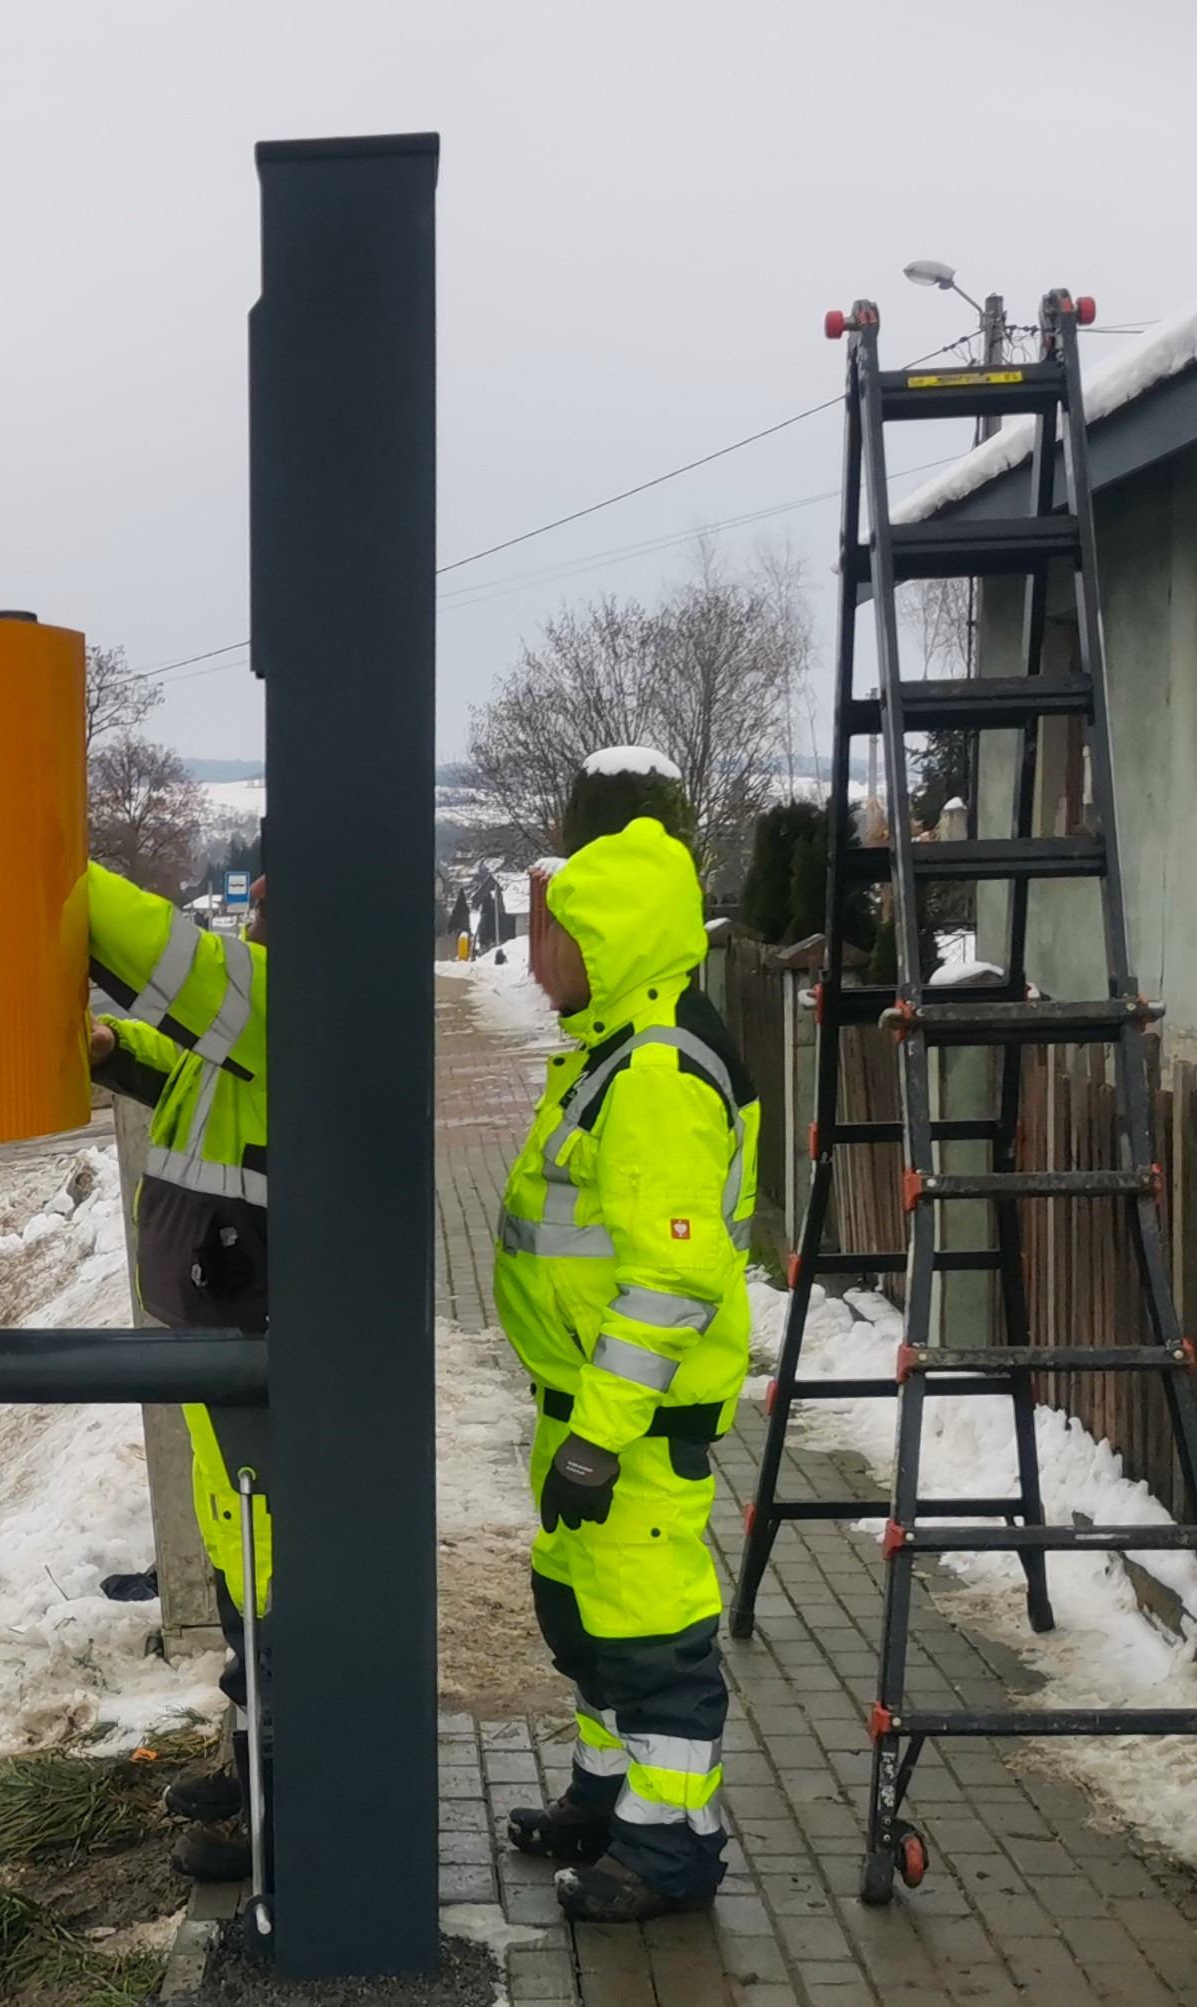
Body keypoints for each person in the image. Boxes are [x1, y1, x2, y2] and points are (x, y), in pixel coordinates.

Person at [492, 753, 761, 1924]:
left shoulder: (652, 1076)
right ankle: (604, 1805)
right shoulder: (609, 1053)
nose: (537, 953)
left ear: (613, 941)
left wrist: (598, 1438)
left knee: (653, 1646)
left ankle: (669, 1855)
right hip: (586, 1413)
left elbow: (670, 1281)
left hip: (635, 1431)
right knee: (587, 1625)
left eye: (557, 934)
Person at [80, 863, 270, 1882]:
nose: (267, 900)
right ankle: (253, 1774)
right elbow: (193, 1063)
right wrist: (116, 1049)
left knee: (279, 1588)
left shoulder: (295, 997)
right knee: (243, 1573)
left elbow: (176, 965)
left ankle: (285, 1828)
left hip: (259, 1338)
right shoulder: (254, 1024)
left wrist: (39, 860)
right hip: (220, 1335)